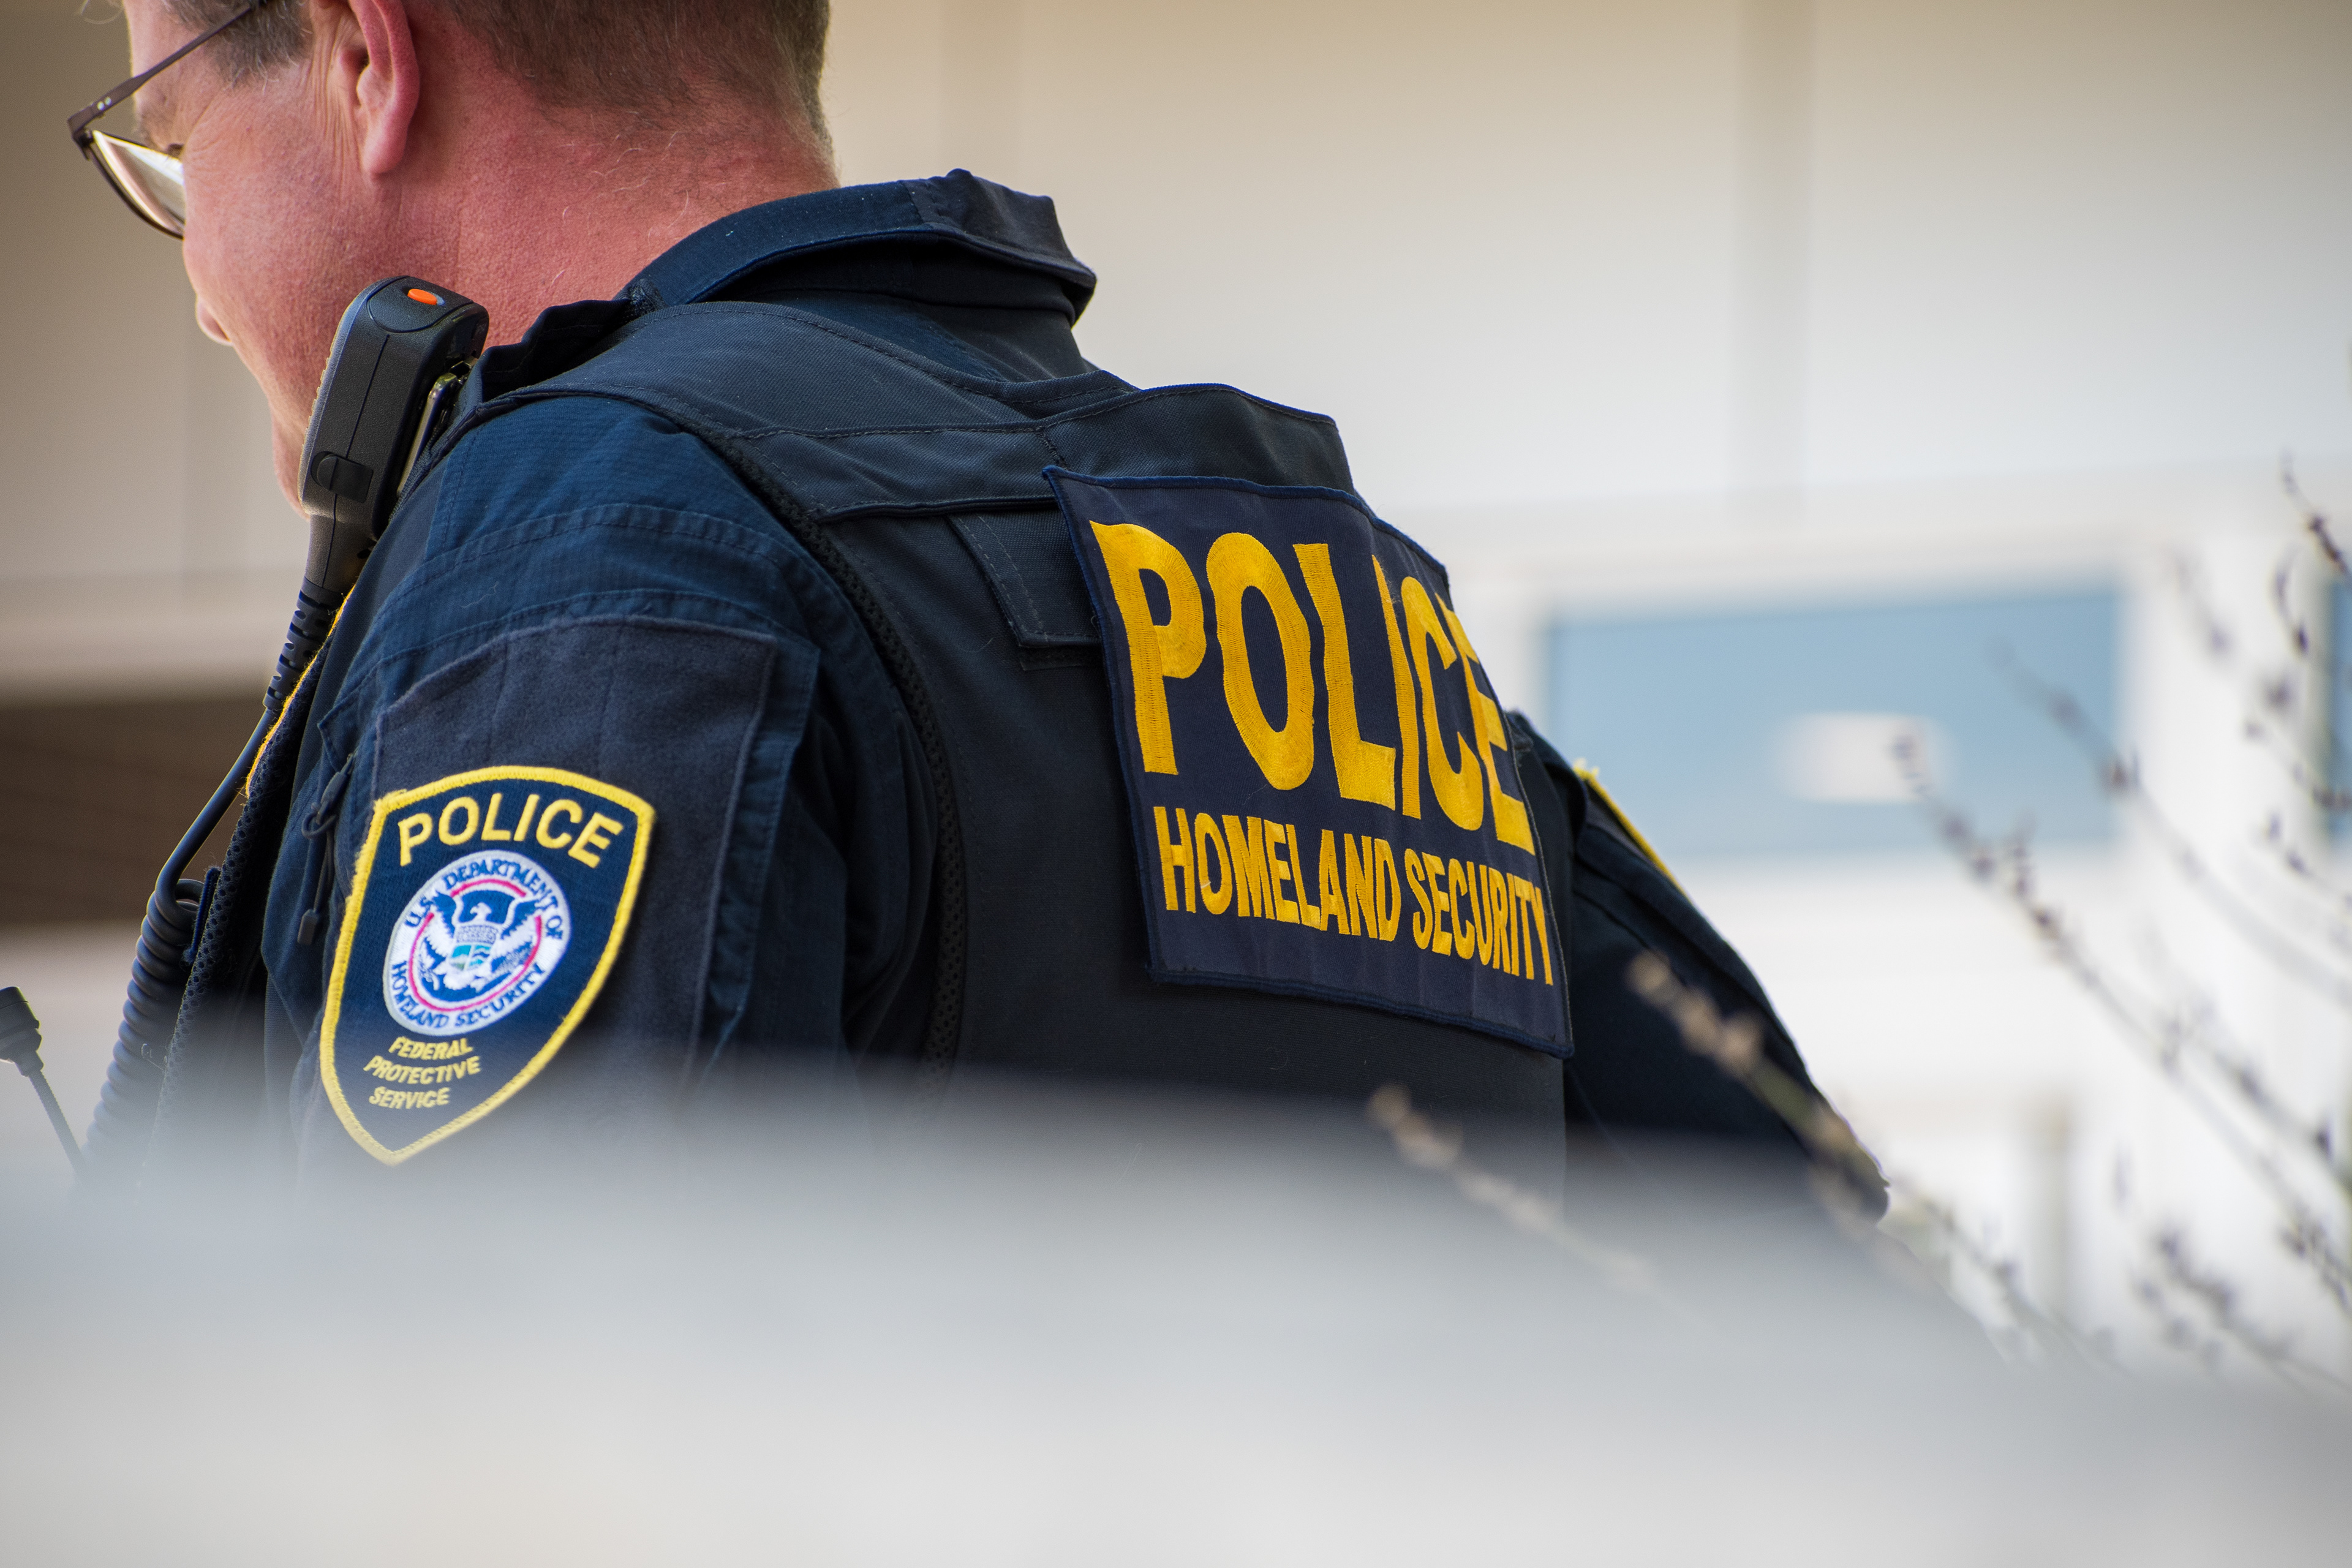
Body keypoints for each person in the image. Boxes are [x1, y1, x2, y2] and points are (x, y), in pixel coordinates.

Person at [77, 0, 1877, 1207]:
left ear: (368, 58)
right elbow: (1813, 1290)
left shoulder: (592, 537)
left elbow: (479, 1421)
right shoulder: (1344, 602)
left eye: (169, 145)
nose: (202, 280)